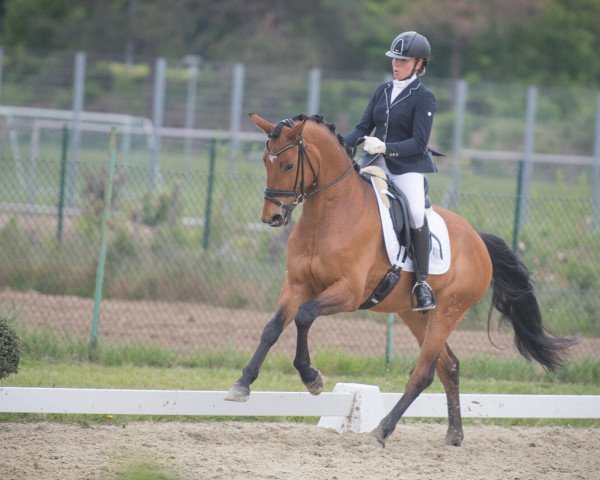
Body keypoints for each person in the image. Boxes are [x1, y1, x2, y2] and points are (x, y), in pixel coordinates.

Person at [344, 31, 437, 311]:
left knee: (416, 214)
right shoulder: (382, 90)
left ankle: (422, 283)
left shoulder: (424, 98)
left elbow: (419, 143)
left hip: (405, 167)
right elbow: (362, 128)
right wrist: (341, 145)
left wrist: (385, 147)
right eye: (395, 59)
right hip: (375, 163)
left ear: (419, 64)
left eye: (404, 60)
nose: (396, 64)